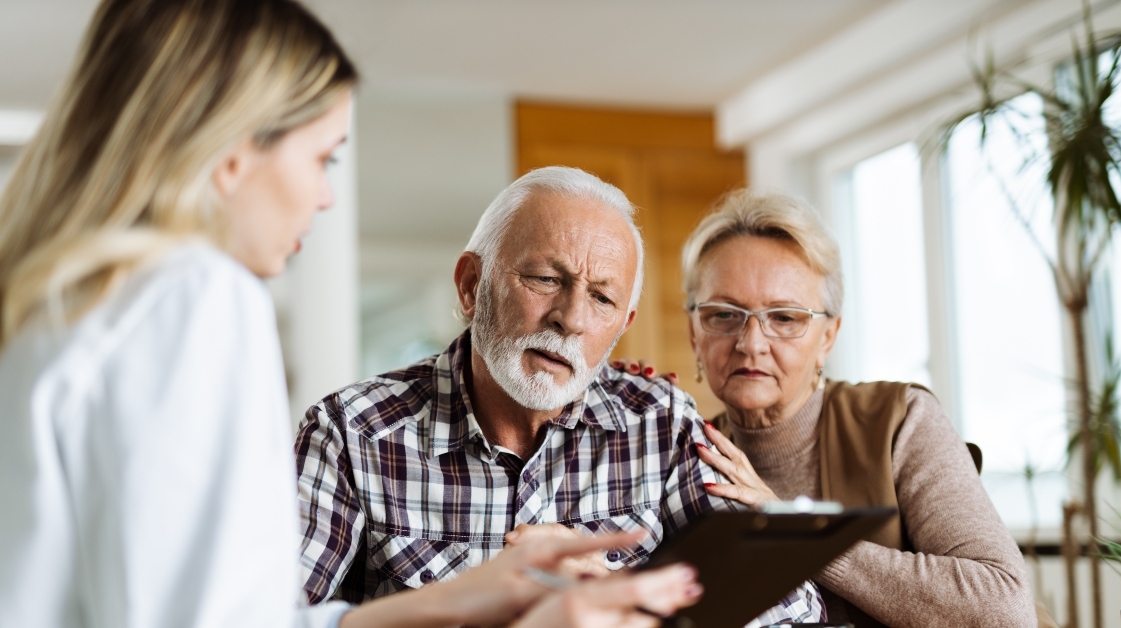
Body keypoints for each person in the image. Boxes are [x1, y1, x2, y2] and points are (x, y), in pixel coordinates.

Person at [0, 1, 701, 627]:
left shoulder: (55, 298)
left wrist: (456, 600)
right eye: (322, 158)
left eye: (604, 298)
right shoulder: (195, 294)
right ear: (234, 155)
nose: (326, 197)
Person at [294, 166, 825, 626]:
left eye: (601, 298)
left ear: (623, 325)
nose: (570, 319)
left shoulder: (661, 423)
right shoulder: (350, 432)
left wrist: (636, 602)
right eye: (546, 279)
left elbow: (794, 616)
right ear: (470, 285)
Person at [625, 189, 1038, 628]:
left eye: (784, 318)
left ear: (828, 337)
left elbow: (1003, 607)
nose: (751, 343)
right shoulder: (680, 455)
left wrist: (794, 533)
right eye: (724, 315)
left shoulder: (900, 419)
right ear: (693, 331)